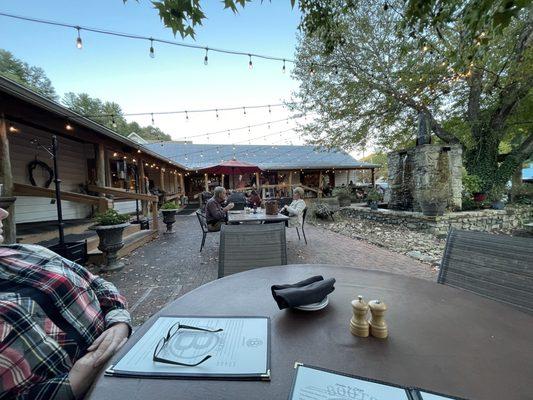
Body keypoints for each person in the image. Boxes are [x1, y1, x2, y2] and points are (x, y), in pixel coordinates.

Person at [0, 207, 131, 400]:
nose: (3, 213)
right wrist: (81, 375)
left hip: (128, 351)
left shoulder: (28, 251)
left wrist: (119, 323)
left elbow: (97, 283)